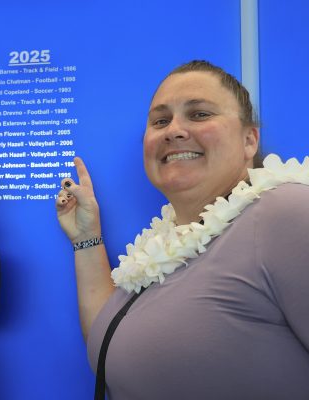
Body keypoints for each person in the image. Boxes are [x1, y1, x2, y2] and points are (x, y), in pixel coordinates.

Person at [56, 60, 309, 399]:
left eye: (199, 114)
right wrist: (87, 239)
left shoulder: (287, 212)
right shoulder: (163, 242)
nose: (174, 130)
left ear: (250, 141)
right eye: (161, 120)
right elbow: (109, 346)